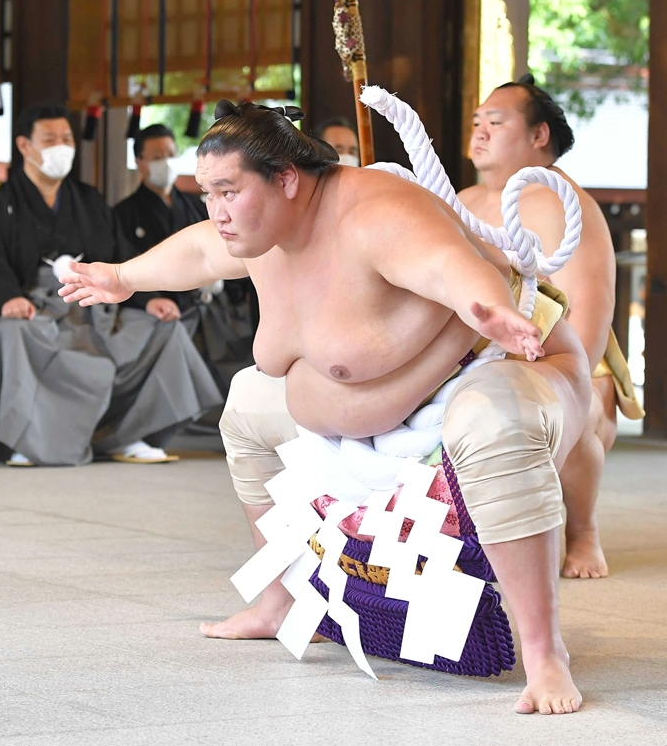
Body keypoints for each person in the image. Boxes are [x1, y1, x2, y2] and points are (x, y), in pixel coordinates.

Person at [60, 101, 592, 714]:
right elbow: (202, 253)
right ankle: (283, 600)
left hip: (504, 360)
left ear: (287, 179)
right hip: (377, 412)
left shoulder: (373, 212)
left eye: (229, 191)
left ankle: (546, 654)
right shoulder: (259, 229)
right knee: (249, 405)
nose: (217, 211)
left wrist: (488, 310)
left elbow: (450, 268)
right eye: (208, 193)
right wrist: (123, 277)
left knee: (492, 422)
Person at [0, 101, 222, 466]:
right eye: (49, 139)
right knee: (12, 334)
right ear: (25, 146)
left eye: (66, 138)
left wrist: (144, 299)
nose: (61, 145)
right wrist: (8, 298)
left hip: (97, 306)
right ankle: (30, 439)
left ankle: (128, 433)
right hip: (37, 312)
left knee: (163, 329)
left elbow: (119, 258)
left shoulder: (88, 201)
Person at [458, 77, 642, 579]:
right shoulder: (464, 201)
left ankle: (583, 531)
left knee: (572, 414)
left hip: (563, 352)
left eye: (495, 123)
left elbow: (588, 311)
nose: (479, 133)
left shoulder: (566, 202)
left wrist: (566, 376)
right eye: (477, 122)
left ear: (540, 135)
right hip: (475, 352)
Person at [114, 123, 256, 392]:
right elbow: (125, 264)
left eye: (170, 154)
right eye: (156, 157)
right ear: (140, 163)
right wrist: (149, 299)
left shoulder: (197, 204)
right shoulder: (123, 214)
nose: (165, 162)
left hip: (212, 303)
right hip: (167, 309)